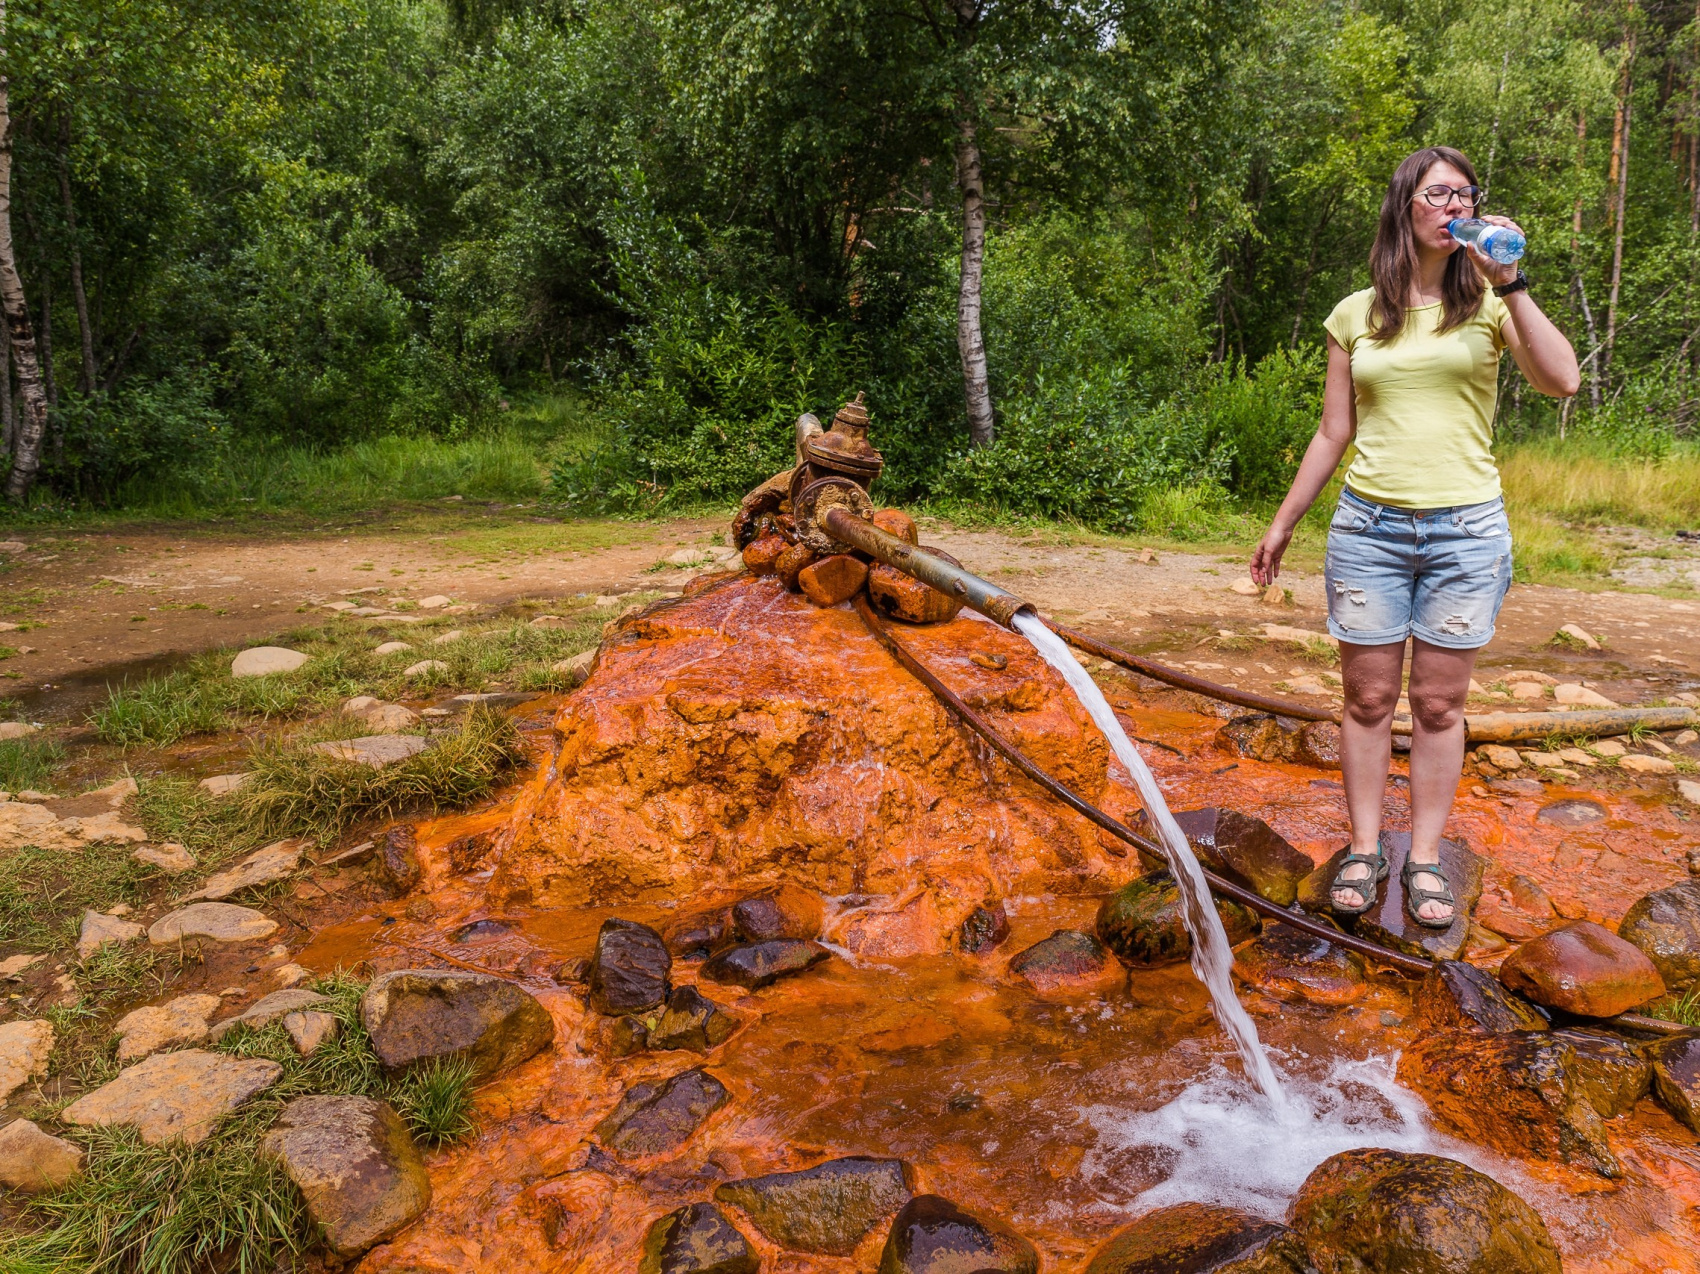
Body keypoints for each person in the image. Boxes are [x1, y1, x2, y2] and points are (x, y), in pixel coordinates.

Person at [1250, 146, 1580, 928]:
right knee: (1366, 699)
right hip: (1370, 529)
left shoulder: (1494, 304)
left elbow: (1562, 380)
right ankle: (1365, 849)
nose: (1453, 205)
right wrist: (1283, 523)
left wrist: (1514, 283)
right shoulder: (1355, 313)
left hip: (1467, 531)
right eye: (1438, 193)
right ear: (1406, 207)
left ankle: (1425, 858)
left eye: (1464, 194)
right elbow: (1334, 432)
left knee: (1438, 704)